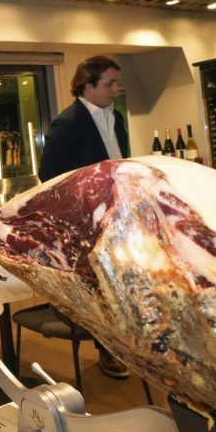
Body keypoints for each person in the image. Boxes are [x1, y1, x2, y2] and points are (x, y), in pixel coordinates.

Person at [38, 55, 130, 378]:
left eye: (116, 83)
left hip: (118, 214)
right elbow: (48, 175)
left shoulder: (116, 117)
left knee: (122, 283)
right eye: (110, 83)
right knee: (100, 287)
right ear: (88, 85)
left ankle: (127, 346)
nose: (116, 89)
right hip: (86, 221)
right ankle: (107, 349)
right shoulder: (67, 124)